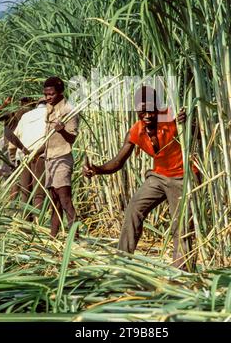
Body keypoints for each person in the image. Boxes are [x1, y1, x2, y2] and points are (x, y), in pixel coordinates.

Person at [83, 86, 198, 268]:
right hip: (158, 176)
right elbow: (118, 162)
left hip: (182, 178)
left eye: (151, 110)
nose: (147, 115)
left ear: (157, 108)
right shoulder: (136, 131)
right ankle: (122, 261)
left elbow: (197, 133)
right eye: (142, 111)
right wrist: (97, 169)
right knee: (134, 209)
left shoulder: (172, 117)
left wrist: (190, 123)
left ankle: (181, 272)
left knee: (181, 224)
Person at [43, 76, 79, 237]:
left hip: (62, 157)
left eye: (51, 94)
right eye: (46, 94)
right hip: (49, 159)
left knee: (64, 198)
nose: (48, 97)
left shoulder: (68, 110)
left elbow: (72, 138)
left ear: (60, 92)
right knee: (54, 200)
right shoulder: (49, 108)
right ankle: (53, 235)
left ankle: (75, 236)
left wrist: (62, 130)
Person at [10, 99, 47, 213]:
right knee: (39, 192)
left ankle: (24, 223)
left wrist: (12, 158)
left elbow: (12, 141)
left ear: (37, 105)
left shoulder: (25, 116)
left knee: (25, 191)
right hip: (40, 155)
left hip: (24, 157)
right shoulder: (51, 114)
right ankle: (37, 223)